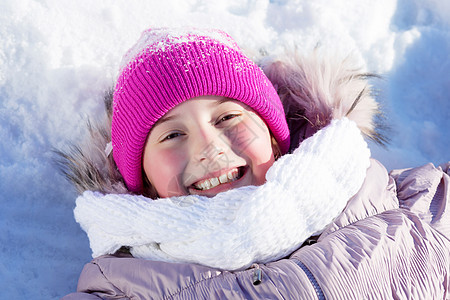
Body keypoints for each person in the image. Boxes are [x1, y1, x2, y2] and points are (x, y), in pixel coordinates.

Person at [60, 28, 450, 299]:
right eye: (171, 135)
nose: (208, 148)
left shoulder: (410, 206)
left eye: (227, 117)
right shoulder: (126, 288)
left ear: (276, 136)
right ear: (143, 182)